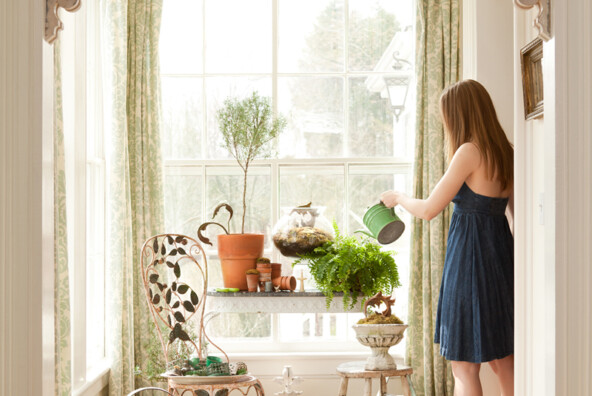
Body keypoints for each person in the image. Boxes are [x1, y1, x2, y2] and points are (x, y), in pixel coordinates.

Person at [380, 79, 514, 396]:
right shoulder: (506, 152)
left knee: (464, 367)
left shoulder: (469, 151)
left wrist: (399, 197)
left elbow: (429, 209)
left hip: (470, 259)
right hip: (501, 256)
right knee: (504, 359)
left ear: (459, 115)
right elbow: (514, 216)